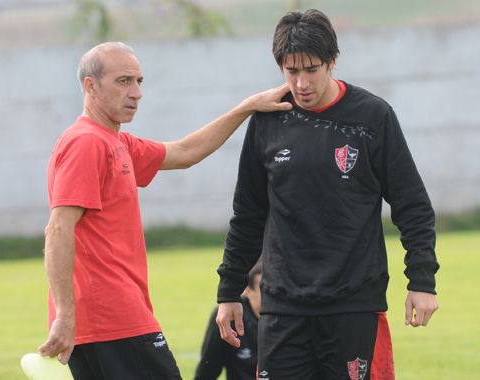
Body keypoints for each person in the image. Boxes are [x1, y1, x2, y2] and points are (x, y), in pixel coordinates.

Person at [37, 41, 292, 380]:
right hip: (110, 318)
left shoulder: (117, 142)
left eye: (140, 81)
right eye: (124, 81)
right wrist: (65, 315)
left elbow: (186, 152)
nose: (137, 92)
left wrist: (246, 107)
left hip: (109, 320)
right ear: (91, 86)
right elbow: (57, 230)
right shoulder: (86, 143)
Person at [214, 9, 440, 380]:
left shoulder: (372, 117)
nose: (301, 82)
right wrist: (228, 291)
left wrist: (422, 281)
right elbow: (247, 215)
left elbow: (412, 205)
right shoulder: (267, 121)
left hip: (353, 304)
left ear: (332, 61)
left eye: (311, 69)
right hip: (283, 307)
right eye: (291, 71)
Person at [195, 262, 262, 380]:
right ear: (247, 291)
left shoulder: (292, 317)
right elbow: (207, 371)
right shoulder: (228, 317)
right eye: (264, 289)